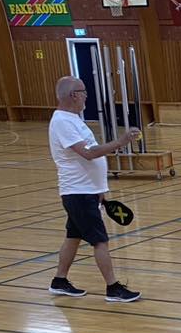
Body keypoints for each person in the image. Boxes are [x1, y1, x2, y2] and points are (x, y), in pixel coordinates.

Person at [48, 76, 142, 302]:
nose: (86, 96)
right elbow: (88, 153)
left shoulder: (72, 120)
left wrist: (99, 190)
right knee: (100, 240)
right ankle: (113, 288)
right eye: (84, 92)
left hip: (85, 191)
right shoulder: (62, 122)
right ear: (73, 95)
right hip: (78, 193)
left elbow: (90, 154)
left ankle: (59, 281)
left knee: (73, 236)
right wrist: (120, 142)